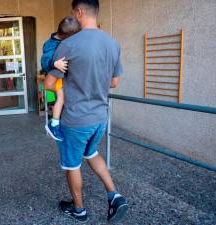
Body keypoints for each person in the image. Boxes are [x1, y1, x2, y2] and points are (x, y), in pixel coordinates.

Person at [44, 0, 127, 223]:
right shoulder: (112, 43)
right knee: (92, 153)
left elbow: (49, 84)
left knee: (72, 165)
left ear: (79, 12)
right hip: (100, 118)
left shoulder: (69, 44)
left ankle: (78, 209)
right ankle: (114, 195)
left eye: (74, 13)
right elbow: (114, 82)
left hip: (76, 120)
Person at [41, 16, 80, 141]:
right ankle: (54, 124)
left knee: (64, 98)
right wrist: (54, 63)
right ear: (66, 37)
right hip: (56, 77)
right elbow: (44, 61)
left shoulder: (62, 40)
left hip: (62, 77)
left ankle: (59, 121)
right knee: (61, 98)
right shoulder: (50, 44)